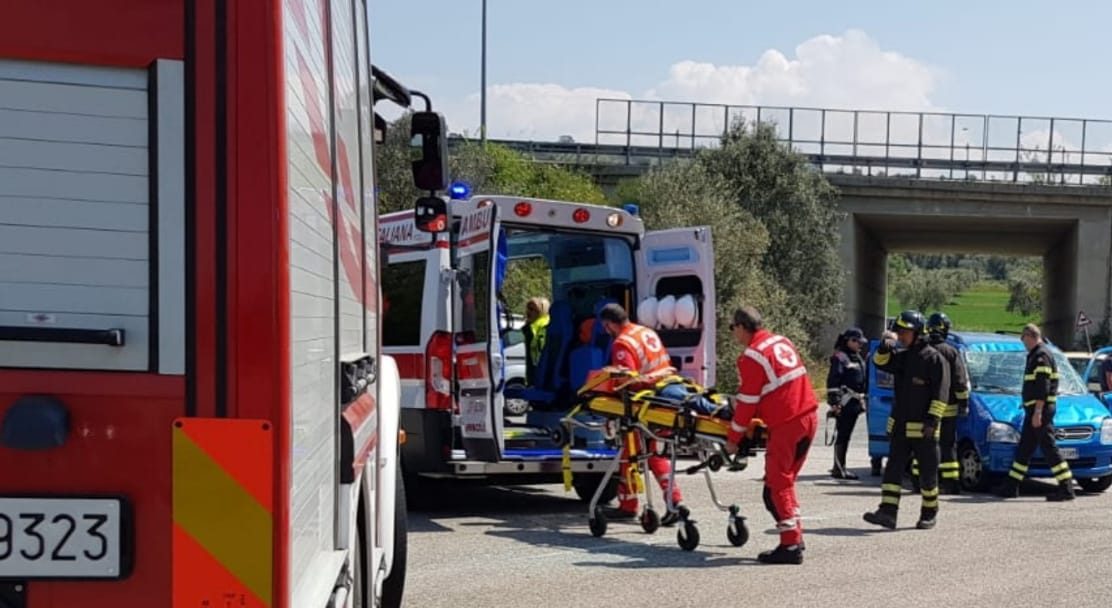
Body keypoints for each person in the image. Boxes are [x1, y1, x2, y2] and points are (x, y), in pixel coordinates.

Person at [724, 306, 818, 565]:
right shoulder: (781, 341)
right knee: (785, 482)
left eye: (732, 328)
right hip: (808, 416)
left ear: (741, 327)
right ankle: (795, 537)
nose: (732, 333)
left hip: (788, 424)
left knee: (777, 484)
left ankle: (790, 545)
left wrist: (733, 439)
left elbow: (747, 403)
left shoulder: (752, 356)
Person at [597, 303, 686, 526]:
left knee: (632, 454)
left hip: (643, 405)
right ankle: (672, 502)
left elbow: (627, 379)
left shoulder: (622, 343)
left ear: (609, 324)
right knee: (652, 454)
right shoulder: (646, 331)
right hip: (664, 397)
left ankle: (630, 505)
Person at [862, 310, 950, 531]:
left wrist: (932, 421)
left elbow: (941, 394)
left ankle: (929, 513)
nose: (901, 335)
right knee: (893, 471)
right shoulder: (903, 356)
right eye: (899, 331)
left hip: (924, 430)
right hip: (901, 427)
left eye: (905, 332)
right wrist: (884, 347)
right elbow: (880, 363)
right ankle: (887, 513)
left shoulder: (934, 359)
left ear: (918, 333)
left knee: (928, 475)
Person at [994, 324, 1075, 501]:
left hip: (1040, 410)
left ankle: (1066, 488)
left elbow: (1042, 387)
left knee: (1049, 448)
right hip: (1034, 410)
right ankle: (1011, 486)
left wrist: (1038, 411)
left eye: (1024, 339)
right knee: (1025, 448)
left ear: (1030, 336)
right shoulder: (1036, 354)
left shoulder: (1041, 356)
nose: (1023, 343)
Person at [926, 312, 970, 495]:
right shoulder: (951, 352)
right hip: (948, 408)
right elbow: (960, 380)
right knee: (947, 445)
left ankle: (920, 481)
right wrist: (963, 402)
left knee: (924, 446)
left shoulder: (921, 350)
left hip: (924, 408)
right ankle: (950, 483)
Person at [826, 327, 868, 480]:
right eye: (856, 341)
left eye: (861, 342)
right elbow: (833, 381)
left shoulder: (856, 357)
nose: (859, 344)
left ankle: (839, 467)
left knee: (846, 434)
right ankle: (838, 468)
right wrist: (835, 402)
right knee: (843, 434)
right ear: (848, 341)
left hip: (854, 403)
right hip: (845, 402)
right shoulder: (840, 357)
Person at [522, 297, 550, 386]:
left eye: (531, 309)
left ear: (540, 311)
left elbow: (540, 353)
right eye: (527, 308)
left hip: (539, 376)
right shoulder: (532, 327)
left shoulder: (542, 326)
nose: (527, 312)